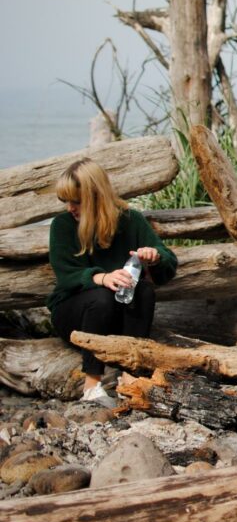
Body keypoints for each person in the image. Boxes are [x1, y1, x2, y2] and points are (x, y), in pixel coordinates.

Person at [47, 157, 178, 405]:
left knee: (145, 292)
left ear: (96, 196)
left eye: (76, 201)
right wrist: (101, 277)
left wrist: (155, 257)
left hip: (119, 317)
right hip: (75, 318)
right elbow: (66, 276)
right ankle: (92, 384)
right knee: (102, 297)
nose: (70, 208)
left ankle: (130, 376)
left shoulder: (131, 220)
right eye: (66, 201)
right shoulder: (62, 225)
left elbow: (168, 266)